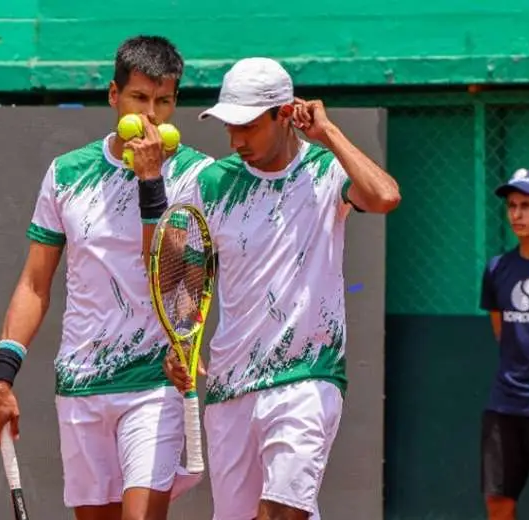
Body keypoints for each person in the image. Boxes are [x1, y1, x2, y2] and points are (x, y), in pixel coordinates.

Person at [138, 57, 400, 520]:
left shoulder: (325, 170)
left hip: (306, 377)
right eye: (229, 128)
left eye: (248, 126)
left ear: (285, 114)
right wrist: (179, 341)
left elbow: (384, 197)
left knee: (282, 512)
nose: (236, 140)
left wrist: (330, 135)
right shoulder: (210, 183)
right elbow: (178, 269)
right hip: (229, 387)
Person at [0, 35, 213, 520]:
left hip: (154, 383)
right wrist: (2, 377)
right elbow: (34, 284)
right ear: (114, 96)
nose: (152, 116)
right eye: (139, 99)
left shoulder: (194, 175)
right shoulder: (67, 174)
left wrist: (152, 181)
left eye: (164, 102)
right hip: (82, 384)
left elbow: (176, 278)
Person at [479, 168, 529, 520]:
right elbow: (501, 331)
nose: (516, 214)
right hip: (504, 404)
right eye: (512, 206)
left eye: (526, 205)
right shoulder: (497, 268)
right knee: (498, 504)